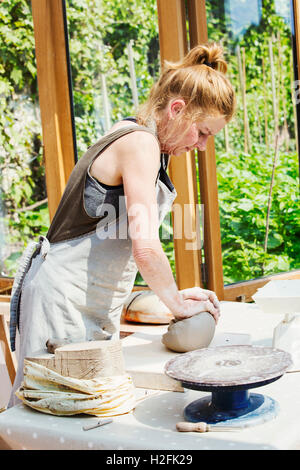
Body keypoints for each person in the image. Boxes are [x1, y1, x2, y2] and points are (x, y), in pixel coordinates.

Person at [8, 42, 236, 406]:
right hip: (62, 304)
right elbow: (145, 248)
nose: (203, 146)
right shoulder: (139, 144)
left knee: (87, 414)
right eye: (203, 133)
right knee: (52, 420)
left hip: (88, 306)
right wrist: (178, 306)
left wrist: (175, 296)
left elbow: (119, 244)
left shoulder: (147, 144)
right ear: (177, 109)